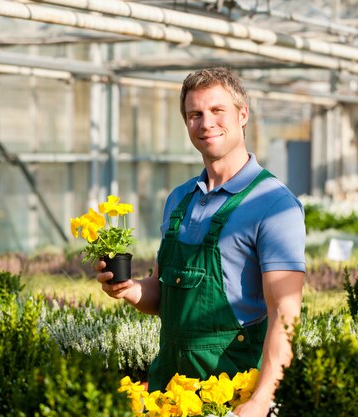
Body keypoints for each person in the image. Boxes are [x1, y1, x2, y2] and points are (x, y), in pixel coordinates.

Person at [96, 67, 305, 417]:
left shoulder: (274, 204)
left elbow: (285, 314)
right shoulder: (180, 199)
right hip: (171, 392)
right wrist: (129, 289)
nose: (206, 122)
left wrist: (262, 399)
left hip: (232, 391)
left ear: (243, 114)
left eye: (216, 111)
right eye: (195, 114)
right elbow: (164, 294)